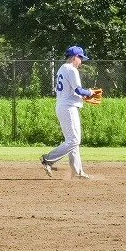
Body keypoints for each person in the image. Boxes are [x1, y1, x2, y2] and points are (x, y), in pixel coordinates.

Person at [40, 45, 95, 179]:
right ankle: (48, 159)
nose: (81, 62)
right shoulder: (71, 69)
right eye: (81, 58)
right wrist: (89, 93)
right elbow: (78, 90)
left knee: (72, 141)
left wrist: (83, 95)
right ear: (75, 57)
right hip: (68, 108)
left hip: (62, 106)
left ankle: (77, 173)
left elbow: (70, 90)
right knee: (74, 140)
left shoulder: (62, 69)